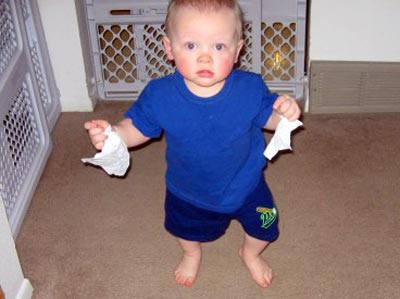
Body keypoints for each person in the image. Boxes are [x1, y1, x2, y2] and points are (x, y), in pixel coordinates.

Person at [84, 0, 301, 288]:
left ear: (238, 50)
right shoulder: (160, 95)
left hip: (247, 185)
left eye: (219, 47)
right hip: (188, 191)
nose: (205, 58)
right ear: (168, 48)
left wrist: (283, 113)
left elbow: (269, 119)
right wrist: (113, 135)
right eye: (191, 46)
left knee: (266, 226)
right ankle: (191, 253)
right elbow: (136, 128)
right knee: (183, 230)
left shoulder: (250, 87)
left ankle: (249, 253)